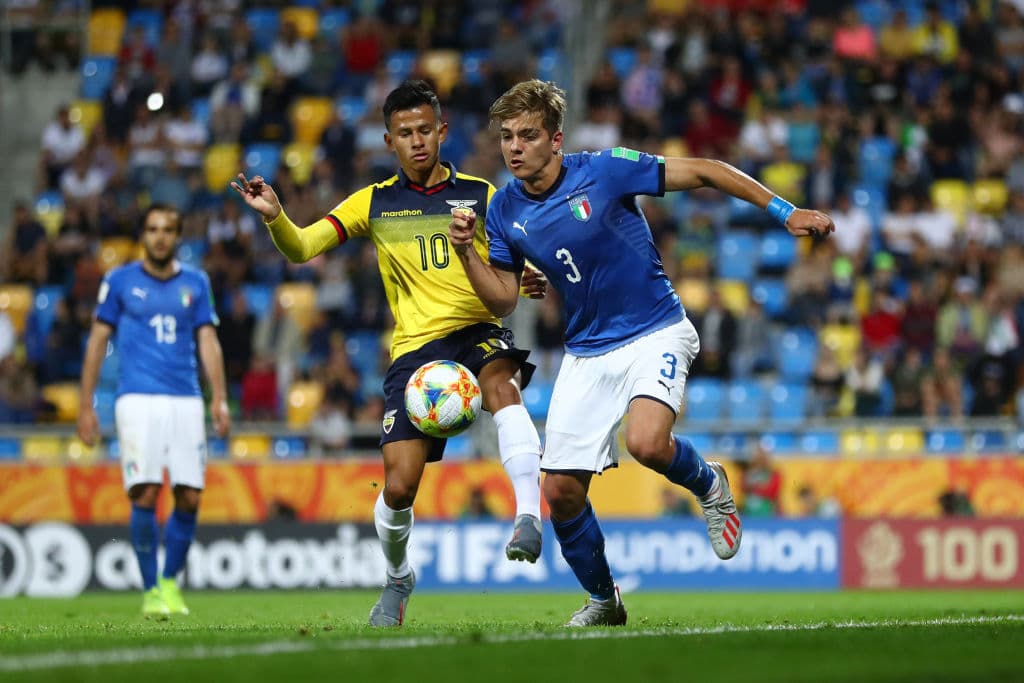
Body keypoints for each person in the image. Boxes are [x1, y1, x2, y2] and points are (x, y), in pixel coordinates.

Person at [450, 80, 834, 627]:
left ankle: (709, 483)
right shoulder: (505, 209)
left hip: (656, 329)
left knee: (648, 443)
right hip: (586, 353)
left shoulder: (605, 170)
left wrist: (784, 210)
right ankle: (605, 601)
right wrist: (468, 255)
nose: (514, 147)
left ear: (555, 139)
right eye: (507, 136)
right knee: (559, 493)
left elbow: (705, 169)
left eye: (528, 135)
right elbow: (505, 299)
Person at [232, 80, 546, 627]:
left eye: (426, 129)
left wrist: (530, 273)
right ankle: (398, 578)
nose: (417, 141)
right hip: (415, 356)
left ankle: (527, 516)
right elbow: (303, 248)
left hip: (475, 331)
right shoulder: (372, 203)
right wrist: (274, 216)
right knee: (399, 485)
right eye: (405, 134)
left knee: (503, 383)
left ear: (443, 131)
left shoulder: (482, 195)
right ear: (388, 141)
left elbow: (511, 261)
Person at [77, 204, 230, 618]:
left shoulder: (196, 282)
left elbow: (208, 342)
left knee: (191, 495)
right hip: (137, 398)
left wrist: (218, 397)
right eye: (152, 229)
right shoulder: (120, 281)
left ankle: (169, 583)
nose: (160, 236)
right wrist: (85, 404)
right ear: (143, 234)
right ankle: (150, 591)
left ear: (178, 236)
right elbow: (96, 342)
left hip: (185, 398)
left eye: (167, 230)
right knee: (145, 491)